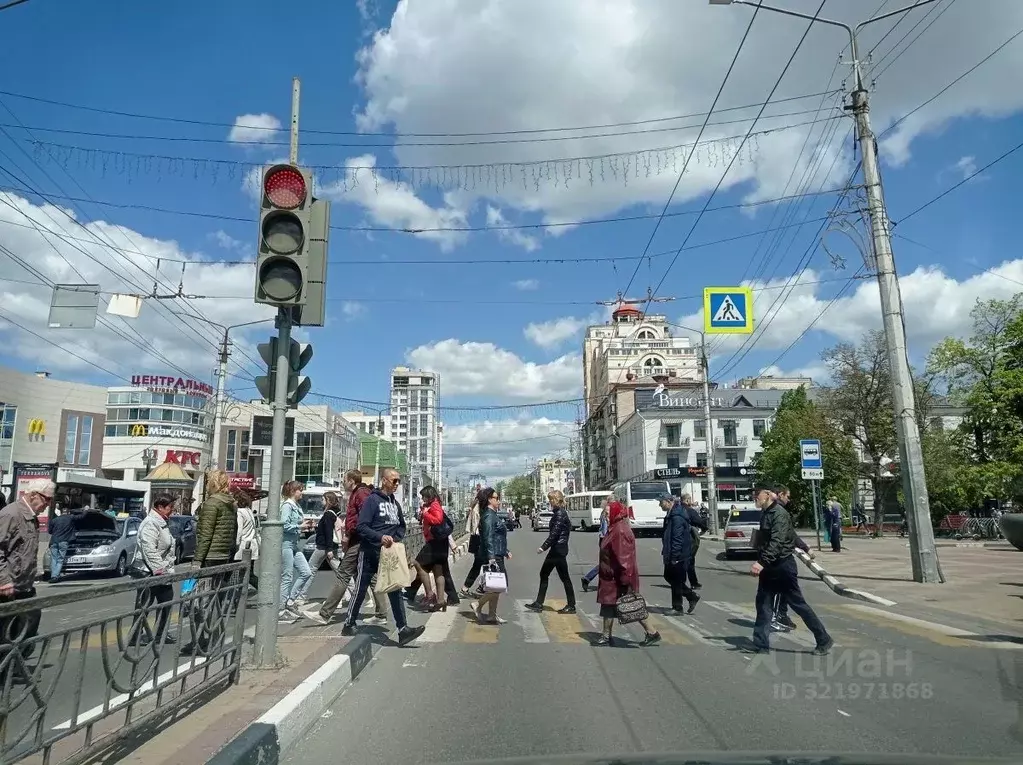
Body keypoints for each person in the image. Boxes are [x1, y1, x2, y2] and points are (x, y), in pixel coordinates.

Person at [341, 468, 425, 646]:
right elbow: (362, 526)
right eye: (394, 480)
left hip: (388, 553)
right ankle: (349, 623)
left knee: (394, 587)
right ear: (384, 481)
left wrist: (394, 539)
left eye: (398, 481)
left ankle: (403, 630)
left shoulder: (394, 503)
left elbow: (401, 526)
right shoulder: (372, 500)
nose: (397, 484)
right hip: (370, 551)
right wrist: (379, 537)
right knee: (361, 587)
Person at [748, 486, 833, 655]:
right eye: (754, 495)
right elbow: (789, 535)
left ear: (768, 495)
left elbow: (778, 541)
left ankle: (823, 639)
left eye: (757, 495)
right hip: (771, 567)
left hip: (782, 566)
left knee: (798, 604)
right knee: (763, 603)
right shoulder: (766, 512)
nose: (754, 498)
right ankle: (761, 644)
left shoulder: (779, 514)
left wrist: (761, 562)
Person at [306, 470, 388, 625]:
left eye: (344, 480)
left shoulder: (361, 493)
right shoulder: (361, 492)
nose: (343, 483)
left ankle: (325, 614)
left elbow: (365, 516)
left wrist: (349, 535)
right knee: (370, 575)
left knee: (343, 574)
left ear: (351, 481)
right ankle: (381, 613)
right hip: (363, 540)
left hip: (359, 540)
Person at [595, 501, 660, 647]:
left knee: (629, 605)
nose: (604, 515)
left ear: (615, 513)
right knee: (617, 605)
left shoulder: (620, 531)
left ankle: (651, 632)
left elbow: (623, 558)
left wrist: (625, 581)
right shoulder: (616, 527)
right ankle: (650, 632)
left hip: (617, 578)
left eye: (607, 513)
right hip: (613, 576)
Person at [128, 495, 178, 646]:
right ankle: (135, 635)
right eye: (170, 507)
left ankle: (160, 633)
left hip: (160, 571)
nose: (172, 511)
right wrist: (160, 570)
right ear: (160, 507)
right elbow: (149, 549)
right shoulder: (150, 523)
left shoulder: (161, 523)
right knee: (144, 605)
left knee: (165, 601)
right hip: (150, 571)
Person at [525, 490, 576, 615]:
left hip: (557, 550)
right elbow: (566, 529)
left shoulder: (559, 514)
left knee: (550, 575)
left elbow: (555, 534)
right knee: (559, 577)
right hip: (559, 549)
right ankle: (541, 603)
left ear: (557, 500)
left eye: (551, 499)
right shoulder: (560, 513)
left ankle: (568, 605)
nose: (550, 501)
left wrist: (543, 547)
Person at [769, 485, 812, 632]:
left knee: (783, 592)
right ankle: (777, 617)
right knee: (789, 595)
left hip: (780, 559)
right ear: (780, 495)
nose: (789, 499)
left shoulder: (776, 511)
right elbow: (785, 536)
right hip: (781, 559)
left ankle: (780, 616)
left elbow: (789, 534)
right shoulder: (778, 512)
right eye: (787, 496)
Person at [470, 487, 509, 624]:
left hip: (498, 552)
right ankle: (478, 604)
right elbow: (488, 537)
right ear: (489, 500)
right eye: (496, 498)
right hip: (494, 555)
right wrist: (492, 557)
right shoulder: (488, 515)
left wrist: (506, 550)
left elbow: (497, 536)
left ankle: (492, 614)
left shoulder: (492, 514)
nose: (498, 501)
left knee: (495, 586)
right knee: (500, 585)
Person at [412, 486, 451, 612]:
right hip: (439, 542)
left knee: (417, 563)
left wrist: (425, 514)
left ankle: (430, 594)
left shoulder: (434, 505)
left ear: (429, 495)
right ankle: (440, 601)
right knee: (438, 570)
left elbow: (438, 519)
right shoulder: (432, 505)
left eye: (424, 496)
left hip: (435, 542)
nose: (422, 499)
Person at [659, 493, 699, 614]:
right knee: (669, 576)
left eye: (661, 502)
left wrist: (675, 556)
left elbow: (677, 538)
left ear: (668, 501)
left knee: (676, 580)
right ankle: (691, 596)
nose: (659, 505)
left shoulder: (677, 516)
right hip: (671, 553)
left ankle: (677, 607)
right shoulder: (671, 514)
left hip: (678, 555)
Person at [279, 481, 313, 618]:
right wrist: (300, 527)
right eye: (300, 490)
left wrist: (304, 524)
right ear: (293, 491)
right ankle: (281, 608)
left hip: (294, 543)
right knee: (287, 576)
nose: (302, 492)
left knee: (306, 572)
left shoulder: (296, 506)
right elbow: (283, 525)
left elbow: (296, 522)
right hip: (286, 543)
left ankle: (290, 601)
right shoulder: (287, 506)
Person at [580, 499, 610, 593]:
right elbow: (605, 530)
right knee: (607, 563)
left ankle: (589, 579)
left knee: (607, 563)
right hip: (606, 540)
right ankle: (588, 578)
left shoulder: (603, 513)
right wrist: (608, 540)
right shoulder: (606, 514)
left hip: (603, 540)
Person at [309, 491, 342, 574]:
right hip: (330, 545)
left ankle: (302, 587)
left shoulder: (328, 514)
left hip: (324, 546)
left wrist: (329, 549)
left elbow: (328, 531)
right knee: (339, 569)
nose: (321, 501)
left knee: (310, 570)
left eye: (323, 499)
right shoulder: (334, 513)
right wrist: (316, 526)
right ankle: (352, 586)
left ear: (328, 500)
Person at [681, 493, 708, 590]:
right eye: (690, 500)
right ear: (687, 500)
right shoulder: (690, 511)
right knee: (689, 560)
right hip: (689, 538)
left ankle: (682, 582)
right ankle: (693, 583)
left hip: (678, 539)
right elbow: (699, 521)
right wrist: (705, 528)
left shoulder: (677, 510)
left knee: (681, 560)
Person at [47, 507, 75, 582]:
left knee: (53, 559)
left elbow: (49, 531)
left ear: (61, 512)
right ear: (68, 513)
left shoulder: (55, 520)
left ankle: (53, 575)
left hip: (54, 541)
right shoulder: (70, 518)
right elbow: (81, 517)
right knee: (60, 560)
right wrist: (86, 510)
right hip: (63, 541)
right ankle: (55, 576)